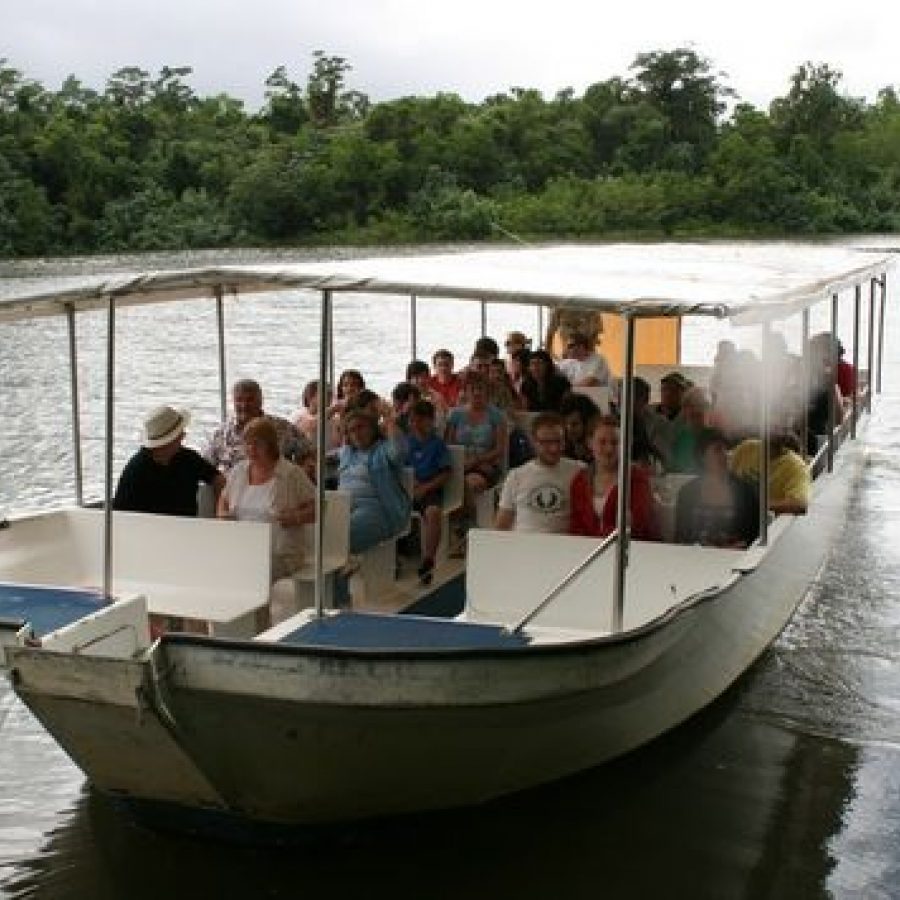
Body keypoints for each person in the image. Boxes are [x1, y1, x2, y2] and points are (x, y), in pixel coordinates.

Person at [217, 416, 316, 580]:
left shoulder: (291, 473)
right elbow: (223, 497)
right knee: (218, 566)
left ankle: (255, 605)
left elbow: (319, 509)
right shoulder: (239, 471)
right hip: (242, 547)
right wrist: (222, 513)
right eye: (247, 444)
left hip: (280, 553)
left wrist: (296, 517)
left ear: (271, 445)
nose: (251, 449)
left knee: (251, 571)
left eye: (257, 444)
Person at [115, 405, 223, 517]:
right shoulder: (136, 470)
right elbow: (120, 514)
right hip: (148, 530)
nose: (183, 436)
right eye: (180, 434)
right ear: (168, 441)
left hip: (187, 529)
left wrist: (221, 510)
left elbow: (218, 479)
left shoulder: (189, 458)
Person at [569, 416, 659, 540]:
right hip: (588, 550)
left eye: (615, 442)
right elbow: (576, 526)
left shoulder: (637, 479)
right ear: (590, 443)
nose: (609, 449)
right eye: (602, 442)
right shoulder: (579, 480)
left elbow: (637, 526)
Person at [338, 405, 411, 554]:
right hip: (344, 507)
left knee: (340, 536)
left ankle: (347, 568)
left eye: (361, 427)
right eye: (352, 430)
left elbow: (400, 451)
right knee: (321, 532)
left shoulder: (383, 450)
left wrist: (389, 419)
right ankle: (346, 568)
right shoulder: (348, 453)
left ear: (372, 429)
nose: (357, 433)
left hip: (377, 509)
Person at [495, 413, 585, 533]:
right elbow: (502, 525)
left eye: (558, 441)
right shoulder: (516, 476)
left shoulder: (579, 470)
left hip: (563, 544)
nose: (554, 448)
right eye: (546, 442)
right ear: (533, 442)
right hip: (524, 544)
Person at [674, 427, 759, 548]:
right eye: (718, 450)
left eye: (727, 449)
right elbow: (680, 536)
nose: (725, 454)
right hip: (696, 557)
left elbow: (755, 537)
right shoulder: (687, 492)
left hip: (733, 557)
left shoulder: (746, 491)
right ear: (702, 456)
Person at [204, 378, 306, 473]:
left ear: (261, 401)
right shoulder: (221, 434)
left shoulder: (283, 428)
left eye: (250, 400)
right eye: (239, 400)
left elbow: (308, 454)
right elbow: (206, 465)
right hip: (232, 489)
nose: (244, 405)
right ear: (233, 402)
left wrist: (295, 476)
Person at [445, 372, 508, 525]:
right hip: (459, 464)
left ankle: (467, 523)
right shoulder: (456, 414)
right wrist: (460, 463)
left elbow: (500, 449)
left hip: (486, 465)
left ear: (487, 391)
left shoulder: (497, 416)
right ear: (465, 391)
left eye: (480, 389)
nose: (476, 392)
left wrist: (475, 461)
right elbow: (449, 445)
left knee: (468, 484)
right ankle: (461, 524)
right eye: (472, 389)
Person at [404, 400, 452, 584]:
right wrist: (412, 484)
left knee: (433, 513)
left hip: (430, 488)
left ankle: (428, 559)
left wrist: (425, 487)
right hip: (407, 489)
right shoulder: (405, 443)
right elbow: (400, 467)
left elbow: (446, 473)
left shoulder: (438, 445)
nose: (415, 424)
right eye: (412, 420)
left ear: (430, 421)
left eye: (420, 420)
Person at [729, 432, 810, 515]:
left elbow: (800, 504)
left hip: (765, 522)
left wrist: (758, 505)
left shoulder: (796, 466)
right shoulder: (747, 448)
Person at [669, 386, 711, 473]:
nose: (696, 409)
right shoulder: (677, 437)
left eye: (701, 405)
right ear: (684, 409)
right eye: (692, 405)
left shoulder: (716, 437)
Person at [559, 392, 599, 464]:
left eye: (574, 424)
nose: (568, 429)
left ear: (588, 424)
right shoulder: (562, 448)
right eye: (565, 424)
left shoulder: (598, 450)